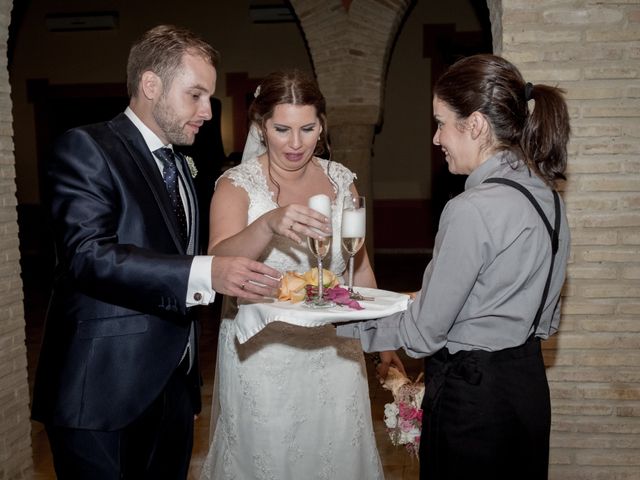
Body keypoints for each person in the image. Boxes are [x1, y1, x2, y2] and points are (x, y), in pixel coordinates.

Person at [31, 25, 281, 480]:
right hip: (102, 391)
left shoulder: (179, 161)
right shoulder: (86, 147)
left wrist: (185, 387)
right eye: (196, 95)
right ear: (151, 85)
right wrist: (208, 273)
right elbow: (88, 255)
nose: (207, 111)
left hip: (170, 388)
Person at [338, 54, 571, 480]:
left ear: (476, 125)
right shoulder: (548, 197)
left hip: (473, 399)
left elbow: (424, 333)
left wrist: (339, 322)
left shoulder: (471, 208)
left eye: (442, 122)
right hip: (527, 388)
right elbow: (534, 313)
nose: (436, 137)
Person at [199, 69, 404, 480]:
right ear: (260, 126)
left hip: (336, 350)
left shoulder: (342, 182)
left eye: (308, 128)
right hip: (261, 354)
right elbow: (217, 261)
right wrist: (268, 224)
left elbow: (358, 265)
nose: (295, 143)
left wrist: (386, 343)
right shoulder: (236, 186)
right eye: (282, 129)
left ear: (322, 125)